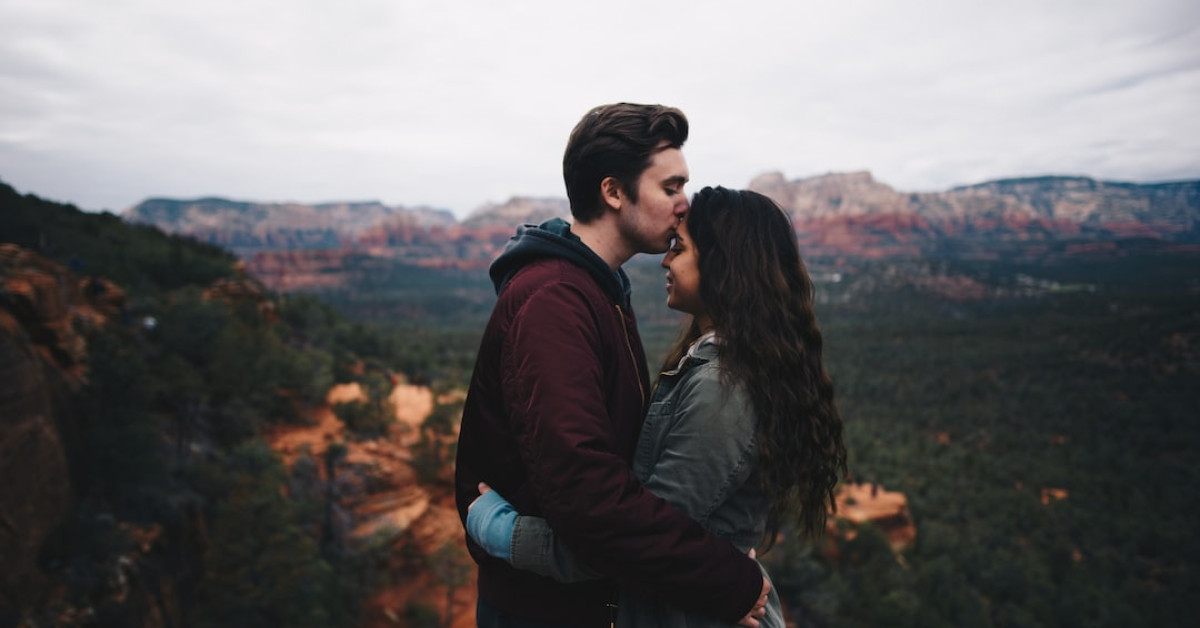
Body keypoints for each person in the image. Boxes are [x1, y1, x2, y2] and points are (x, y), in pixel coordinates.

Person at [466, 186, 848, 627]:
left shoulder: (723, 390)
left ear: (725, 267)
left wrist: (506, 533)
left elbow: (638, 542)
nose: (665, 261)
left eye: (679, 249)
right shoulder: (711, 364)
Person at [454, 106, 770, 628]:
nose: (683, 204)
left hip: (579, 599)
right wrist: (728, 577)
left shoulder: (597, 289)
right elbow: (589, 495)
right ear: (614, 192)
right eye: (670, 187)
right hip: (543, 611)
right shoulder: (555, 299)